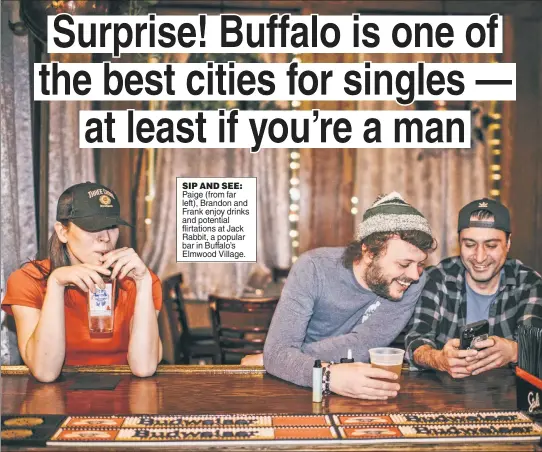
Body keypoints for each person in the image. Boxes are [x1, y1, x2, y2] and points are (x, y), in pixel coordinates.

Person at [263, 192, 436, 400]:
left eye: (420, 264)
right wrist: (325, 375)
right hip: (293, 386)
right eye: (404, 264)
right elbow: (277, 355)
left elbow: (363, 344)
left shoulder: (411, 281)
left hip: (348, 384)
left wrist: (287, 358)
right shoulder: (313, 268)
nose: (415, 275)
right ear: (369, 252)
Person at [2, 182, 163, 382]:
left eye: (112, 226)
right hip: (57, 402)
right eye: (92, 226)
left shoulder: (137, 281)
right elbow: (45, 372)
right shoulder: (28, 280)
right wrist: (56, 284)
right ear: (62, 232)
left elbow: (145, 368)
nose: (105, 238)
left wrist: (144, 282)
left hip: (124, 400)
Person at [405, 198, 542, 378]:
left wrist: (515, 351)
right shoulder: (438, 278)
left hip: (508, 400)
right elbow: (416, 341)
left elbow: (535, 347)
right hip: (445, 399)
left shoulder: (529, 283)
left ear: (508, 243)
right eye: (469, 245)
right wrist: (438, 359)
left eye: (491, 245)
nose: (479, 257)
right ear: (459, 243)